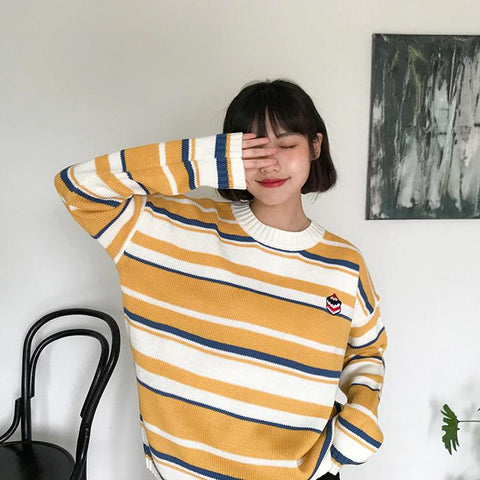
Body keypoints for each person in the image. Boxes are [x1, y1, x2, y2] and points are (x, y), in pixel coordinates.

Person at [54, 78, 387, 480]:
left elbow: (367, 353)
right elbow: (77, 188)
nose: (269, 163)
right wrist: (213, 160)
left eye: (286, 145)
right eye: (252, 149)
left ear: (315, 146)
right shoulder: (165, 230)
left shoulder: (344, 264)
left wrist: (359, 418)